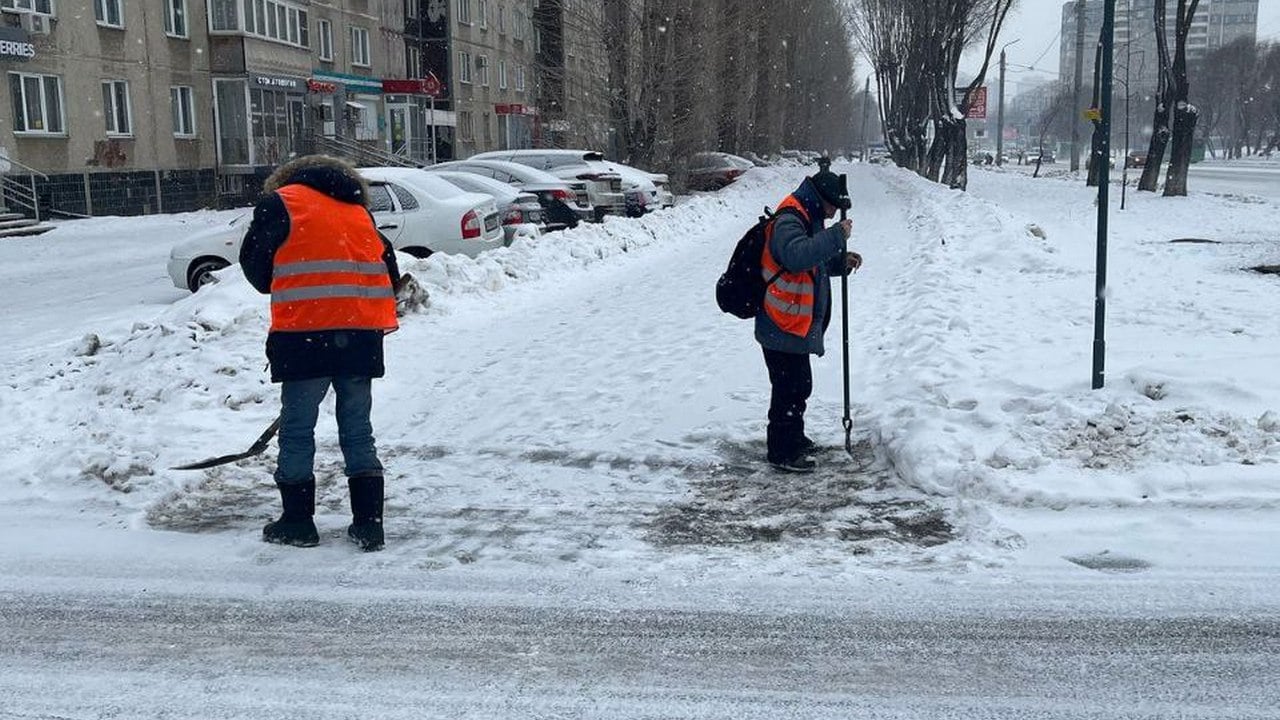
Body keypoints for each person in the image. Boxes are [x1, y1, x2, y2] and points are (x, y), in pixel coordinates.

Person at [239, 155, 400, 551]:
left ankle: (298, 522)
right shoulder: (358, 211)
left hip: (304, 336)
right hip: (360, 336)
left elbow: (257, 270)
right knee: (358, 430)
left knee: (297, 431)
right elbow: (389, 272)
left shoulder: (282, 203)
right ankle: (369, 524)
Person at [756, 161, 862, 473]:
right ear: (821, 198)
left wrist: (838, 263)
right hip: (780, 322)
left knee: (798, 386)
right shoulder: (791, 218)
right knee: (788, 389)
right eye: (832, 208)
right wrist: (835, 237)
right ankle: (782, 452)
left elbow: (808, 265)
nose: (832, 214)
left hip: (790, 324)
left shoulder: (807, 215)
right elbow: (795, 256)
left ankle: (794, 438)